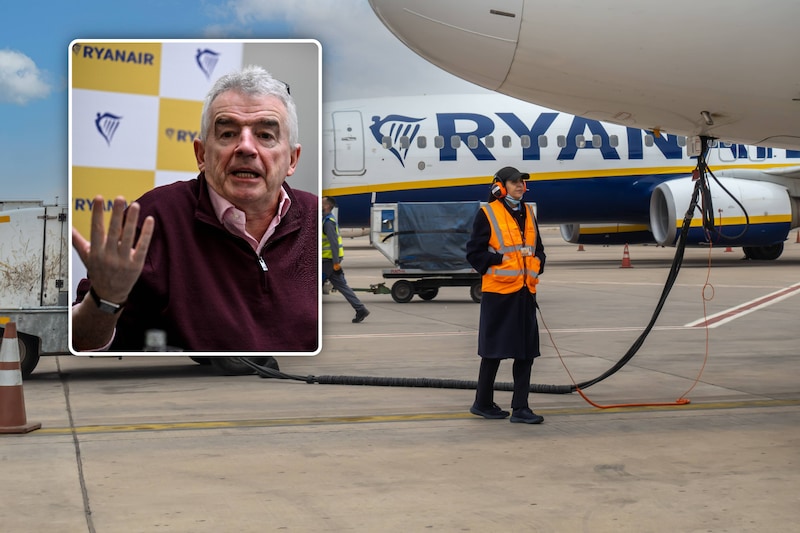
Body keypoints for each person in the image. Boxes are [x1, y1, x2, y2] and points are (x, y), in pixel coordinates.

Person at [71, 65, 318, 353]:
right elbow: (82, 342)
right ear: (201, 154)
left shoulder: (314, 217)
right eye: (227, 133)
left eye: (265, 135)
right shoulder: (154, 218)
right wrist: (105, 300)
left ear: (292, 159)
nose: (246, 147)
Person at [466, 166, 546, 424]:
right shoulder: (488, 213)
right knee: (493, 351)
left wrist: (536, 265)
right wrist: (500, 261)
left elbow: (538, 249)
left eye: (522, 182)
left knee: (526, 353)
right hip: (499, 293)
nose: (520, 186)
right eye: (514, 182)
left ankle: (520, 407)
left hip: (525, 292)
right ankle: (482, 403)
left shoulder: (528, 212)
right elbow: (474, 253)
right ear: (500, 187)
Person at [321, 196, 370, 323]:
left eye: (321, 202)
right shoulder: (326, 220)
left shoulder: (328, 222)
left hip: (328, 261)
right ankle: (360, 309)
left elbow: (333, 244)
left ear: (327, 206)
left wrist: (336, 264)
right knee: (342, 286)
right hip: (328, 260)